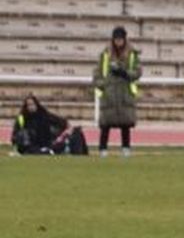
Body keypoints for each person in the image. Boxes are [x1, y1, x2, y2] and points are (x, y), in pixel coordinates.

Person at [92, 26, 140, 157]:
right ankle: (103, 149)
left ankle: (126, 148)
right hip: (109, 93)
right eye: (116, 39)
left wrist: (125, 73)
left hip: (125, 93)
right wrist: (103, 85)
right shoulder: (105, 54)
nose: (118, 42)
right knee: (105, 124)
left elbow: (138, 71)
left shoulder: (132, 54)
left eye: (120, 39)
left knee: (125, 124)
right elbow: (97, 73)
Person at [12, 95, 83, 155]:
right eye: (29, 105)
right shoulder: (22, 118)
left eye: (32, 104)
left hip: (47, 143)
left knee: (75, 133)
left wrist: (68, 128)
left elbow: (60, 121)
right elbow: (14, 136)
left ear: (36, 105)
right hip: (31, 146)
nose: (31, 107)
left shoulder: (43, 115)